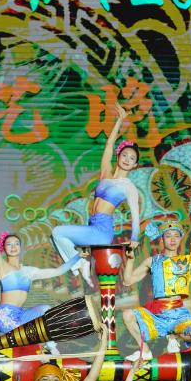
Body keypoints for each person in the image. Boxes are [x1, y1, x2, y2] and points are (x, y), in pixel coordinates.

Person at [51, 103, 142, 287]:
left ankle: (80, 263)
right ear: (118, 156)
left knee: (58, 232)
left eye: (132, 158)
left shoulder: (129, 187)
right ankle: (81, 263)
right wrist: (119, 121)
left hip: (102, 230)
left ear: (134, 165)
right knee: (56, 236)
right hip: (92, 225)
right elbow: (109, 145)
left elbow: (135, 215)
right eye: (125, 155)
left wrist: (134, 239)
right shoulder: (105, 174)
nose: (127, 159)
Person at [121, 218, 191, 358]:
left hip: (178, 313)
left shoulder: (187, 261)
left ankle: (175, 335)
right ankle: (145, 351)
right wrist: (130, 259)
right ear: (162, 239)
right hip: (157, 313)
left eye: (176, 236)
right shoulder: (152, 261)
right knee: (127, 315)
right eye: (168, 236)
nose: (173, 240)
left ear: (180, 238)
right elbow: (127, 281)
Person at [0, 201, 80, 333]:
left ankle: (50, 344)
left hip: (21, 316)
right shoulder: (2, 266)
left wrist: (78, 256)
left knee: (45, 309)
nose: (13, 247)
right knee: (30, 333)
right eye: (9, 244)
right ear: (4, 248)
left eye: (16, 244)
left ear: (20, 247)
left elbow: (58, 271)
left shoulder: (28, 271)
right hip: (6, 319)